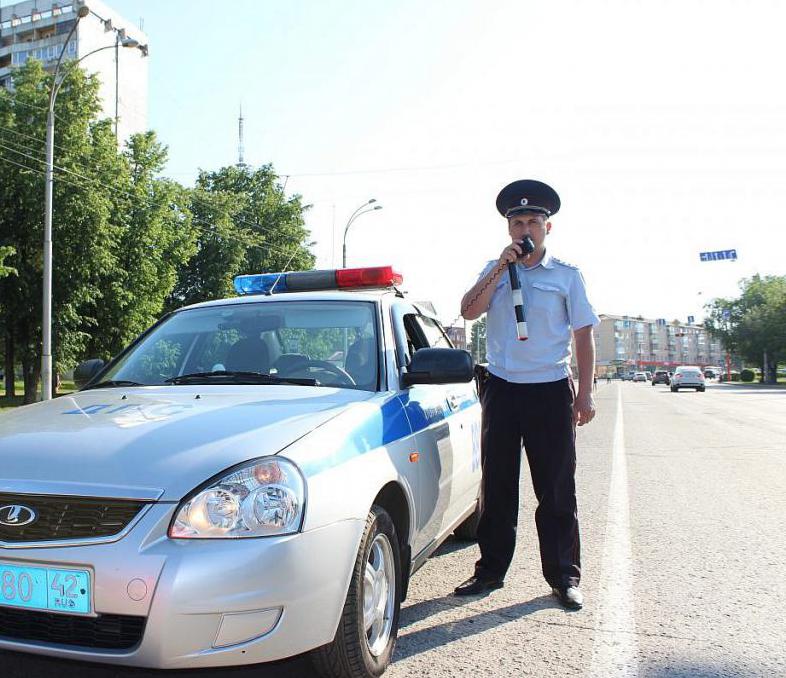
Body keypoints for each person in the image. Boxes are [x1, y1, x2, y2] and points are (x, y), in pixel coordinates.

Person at [455, 179, 599, 610]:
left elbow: (583, 335)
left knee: (555, 490)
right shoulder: (494, 271)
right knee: (497, 487)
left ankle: (563, 577)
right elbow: (467, 310)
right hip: (502, 388)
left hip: (550, 390)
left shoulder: (566, 276)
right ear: (508, 229)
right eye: (517, 221)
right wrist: (500, 268)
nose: (525, 228)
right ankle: (490, 572)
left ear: (547, 228)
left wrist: (585, 393)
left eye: (533, 220)